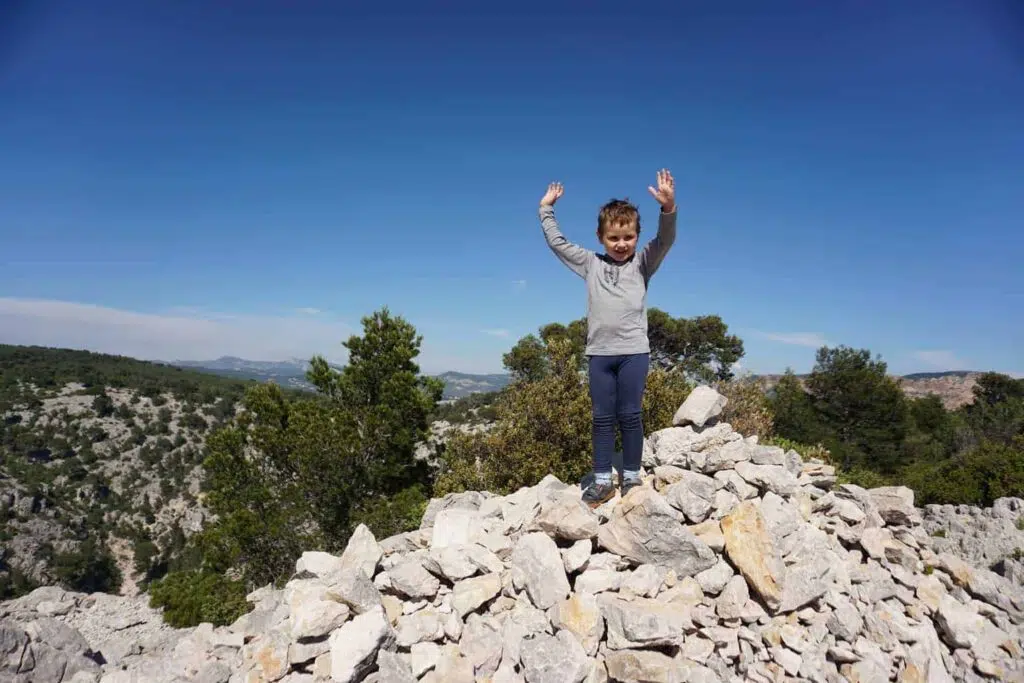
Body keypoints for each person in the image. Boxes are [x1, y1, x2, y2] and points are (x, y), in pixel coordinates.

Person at [537, 169, 677, 508]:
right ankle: (602, 480)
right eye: (614, 238)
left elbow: (665, 240)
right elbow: (557, 243)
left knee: (630, 415)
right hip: (599, 354)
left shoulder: (643, 263)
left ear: (636, 236)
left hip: (634, 353)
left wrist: (668, 209)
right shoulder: (590, 264)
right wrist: (546, 209)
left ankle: (631, 477)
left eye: (628, 237)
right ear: (601, 237)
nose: (621, 244)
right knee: (601, 418)